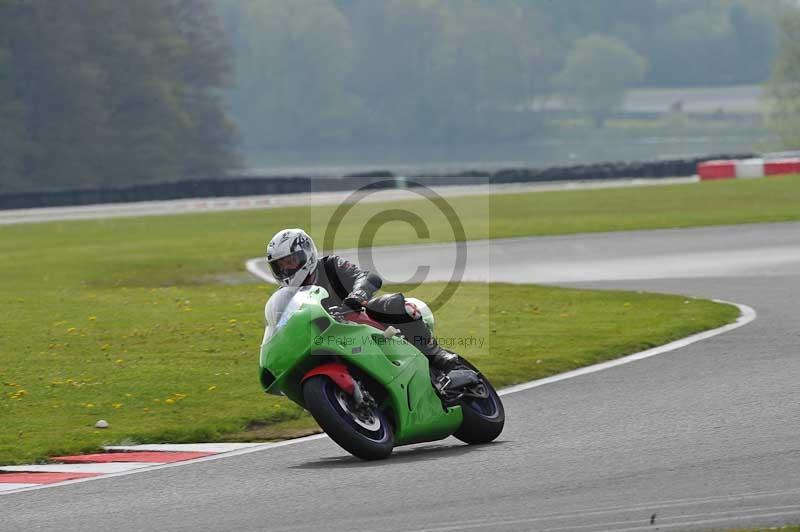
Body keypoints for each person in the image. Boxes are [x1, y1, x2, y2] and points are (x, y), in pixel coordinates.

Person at [265, 228, 459, 371]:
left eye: (290, 261)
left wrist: (357, 297)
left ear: (306, 254)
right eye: (279, 266)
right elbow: (282, 326)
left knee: (394, 304)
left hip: (359, 319)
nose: (286, 270)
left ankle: (435, 354)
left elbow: (367, 278)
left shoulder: (330, 266)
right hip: (327, 339)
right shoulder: (286, 296)